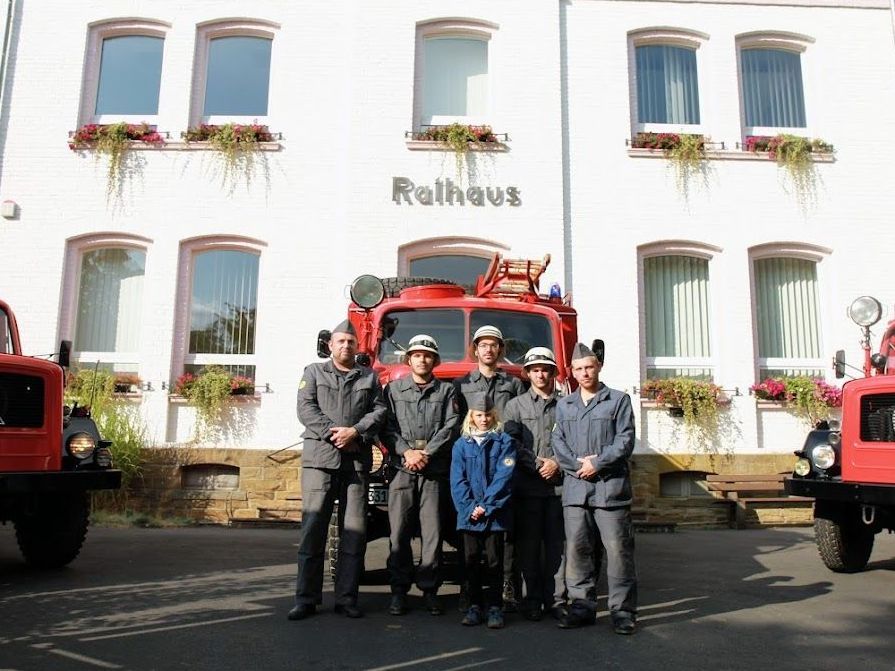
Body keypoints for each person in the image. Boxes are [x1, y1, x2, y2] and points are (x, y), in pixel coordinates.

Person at [289, 319, 387, 621]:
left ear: (357, 347)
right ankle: (306, 599)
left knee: (354, 533)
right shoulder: (313, 373)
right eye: (340, 341)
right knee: (313, 530)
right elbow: (306, 409)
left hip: (356, 462)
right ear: (330, 345)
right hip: (320, 459)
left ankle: (346, 598)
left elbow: (380, 411)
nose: (346, 346)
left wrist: (355, 432)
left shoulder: (369, 377)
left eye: (351, 342)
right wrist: (335, 434)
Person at [551, 342, 637, 635]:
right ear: (572, 372)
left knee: (618, 552)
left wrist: (597, 463)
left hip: (610, 490)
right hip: (576, 490)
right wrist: (578, 466)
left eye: (589, 367)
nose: (585, 373)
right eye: (579, 369)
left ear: (598, 366)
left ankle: (623, 612)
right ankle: (581, 607)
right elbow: (558, 442)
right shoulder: (564, 405)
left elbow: (625, 440)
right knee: (577, 551)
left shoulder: (618, 400)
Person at [380, 334, 460, 616]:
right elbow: (386, 426)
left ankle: (429, 590)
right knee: (399, 533)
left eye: (427, 355)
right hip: (402, 470)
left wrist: (426, 453)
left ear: (434, 360)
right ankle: (399, 591)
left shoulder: (447, 391)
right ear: (409, 359)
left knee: (432, 533)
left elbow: (451, 426)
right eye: (417, 355)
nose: (422, 359)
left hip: (433, 471)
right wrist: (406, 452)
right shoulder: (393, 390)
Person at [454, 324, 525, 610]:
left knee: (506, 533)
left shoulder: (514, 384)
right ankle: (467, 589)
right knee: (465, 533)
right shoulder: (461, 384)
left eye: (494, 345)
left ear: (500, 350)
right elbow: (457, 424)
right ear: (475, 350)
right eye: (483, 345)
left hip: (503, 462)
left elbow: (517, 424)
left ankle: (507, 585)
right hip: (470, 462)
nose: (488, 349)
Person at [503, 347, 566, 622]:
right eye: (535, 370)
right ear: (527, 374)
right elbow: (511, 442)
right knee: (528, 548)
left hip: (558, 488)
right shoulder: (515, 406)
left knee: (557, 549)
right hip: (527, 487)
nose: (541, 375)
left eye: (545, 370)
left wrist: (557, 463)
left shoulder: (567, 405)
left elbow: (574, 441)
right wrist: (539, 464)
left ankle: (556, 601)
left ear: (553, 373)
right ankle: (531, 601)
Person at [449, 392, 516, 629]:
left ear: (494, 415)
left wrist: (486, 506)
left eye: (488, 415)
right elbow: (457, 481)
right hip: (469, 515)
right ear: (471, 416)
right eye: (479, 415)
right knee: (471, 561)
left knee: (495, 563)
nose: (484, 419)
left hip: (494, 514)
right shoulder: (461, 445)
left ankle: (495, 607)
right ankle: (474, 606)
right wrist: (470, 508)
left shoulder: (504, 442)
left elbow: (504, 477)